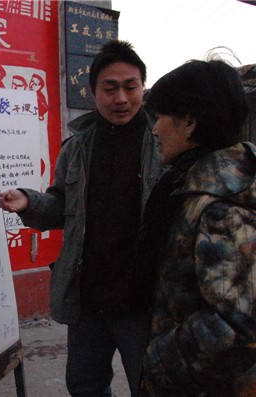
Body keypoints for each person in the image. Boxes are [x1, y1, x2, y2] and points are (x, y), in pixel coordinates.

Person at [0, 40, 163, 397]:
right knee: (85, 385)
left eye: (131, 87)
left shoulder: (163, 141)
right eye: (110, 88)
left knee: (150, 385)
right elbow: (61, 204)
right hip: (87, 294)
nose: (121, 98)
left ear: (142, 87)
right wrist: (28, 202)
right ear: (92, 92)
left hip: (143, 299)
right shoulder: (77, 147)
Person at [136, 60, 255, 396]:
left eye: (159, 117)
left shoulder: (223, 207)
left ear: (188, 122)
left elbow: (237, 325)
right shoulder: (195, 184)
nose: (155, 129)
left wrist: (158, 361)